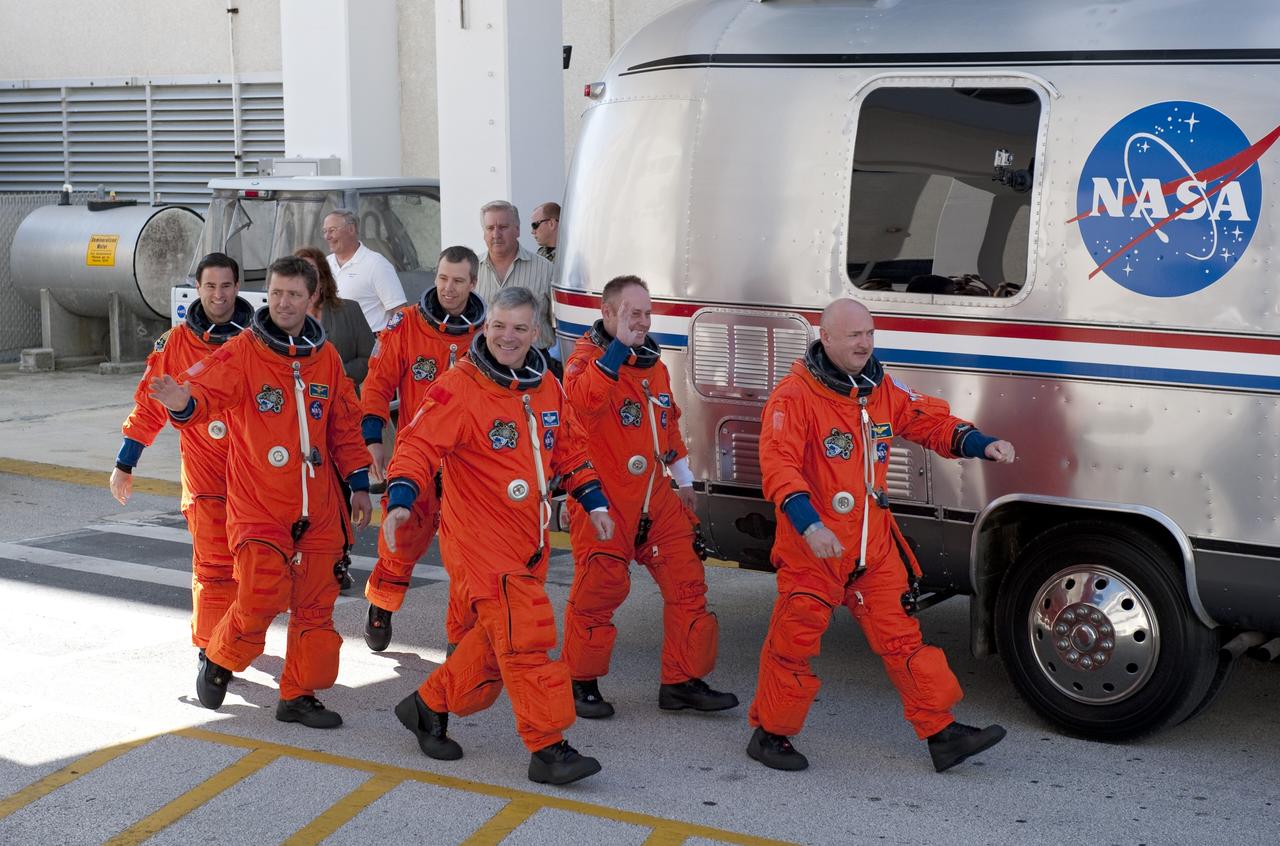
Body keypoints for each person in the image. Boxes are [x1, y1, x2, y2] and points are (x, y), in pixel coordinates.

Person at [748, 298, 1015, 773]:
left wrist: (980, 443)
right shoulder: (794, 398)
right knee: (794, 642)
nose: (865, 343)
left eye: (869, 334)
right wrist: (811, 526)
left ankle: (940, 732)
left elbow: (927, 421)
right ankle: (771, 734)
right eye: (854, 336)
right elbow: (779, 468)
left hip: (873, 550)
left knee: (903, 640)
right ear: (825, 338)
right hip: (816, 549)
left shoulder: (880, 389)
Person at [383, 286, 612, 786]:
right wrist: (400, 499)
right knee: (526, 632)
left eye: (520, 329)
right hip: (480, 542)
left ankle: (426, 707)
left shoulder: (544, 384)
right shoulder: (459, 387)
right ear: (486, 327)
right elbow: (418, 445)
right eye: (499, 326)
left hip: (528, 541)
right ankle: (549, 748)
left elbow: (568, 449)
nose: (508, 338)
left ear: (536, 333)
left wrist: (594, 503)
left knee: (491, 645)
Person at [149, 256, 373, 729]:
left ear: (312, 298)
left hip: (319, 508)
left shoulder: (326, 358)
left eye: (294, 294)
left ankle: (298, 696)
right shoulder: (245, 351)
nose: (284, 303)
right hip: (260, 506)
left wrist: (358, 485)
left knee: (316, 604)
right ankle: (219, 656)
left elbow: (345, 428)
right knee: (259, 596)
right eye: (275, 293)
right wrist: (182, 402)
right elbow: (205, 389)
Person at [560, 275, 737, 719]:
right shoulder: (585, 362)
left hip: (655, 498)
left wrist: (684, 481)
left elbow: (668, 425)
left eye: (645, 313)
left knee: (688, 582)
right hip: (604, 500)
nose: (641, 321)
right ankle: (581, 683)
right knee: (599, 588)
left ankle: (681, 681)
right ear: (608, 314)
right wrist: (616, 349)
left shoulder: (653, 366)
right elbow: (582, 406)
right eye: (631, 313)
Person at [110, 252, 253, 669]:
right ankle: (211, 653)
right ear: (198, 288)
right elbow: (150, 405)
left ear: (238, 287)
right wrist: (125, 462)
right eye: (210, 286)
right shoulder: (175, 343)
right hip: (206, 472)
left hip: (256, 474)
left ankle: (238, 635)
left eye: (226, 286)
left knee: (256, 565)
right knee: (212, 566)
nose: (219, 295)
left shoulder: (259, 341)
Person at [360, 245, 486, 653]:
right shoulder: (405, 326)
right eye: (443, 278)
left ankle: (461, 635)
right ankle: (380, 607)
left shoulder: (488, 333)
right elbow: (377, 384)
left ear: (474, 283)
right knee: (400, 541)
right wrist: (373, 438)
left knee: (468, 553)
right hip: (418, 456)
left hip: (469, 463)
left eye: (459, 281)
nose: (449, 288)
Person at [475, 201, 556, 360]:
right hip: (482, 363)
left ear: (517, 230)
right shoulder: (472, 270)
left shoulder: (546, 270)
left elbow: (559, 325)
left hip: (534, 364)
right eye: (490, 228)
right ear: (484, 233)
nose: (496, 234)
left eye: (503, 227)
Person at [296, 246, 374, 390]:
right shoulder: (285, 317)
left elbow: (370, 358)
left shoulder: (350, 310)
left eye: (310, 269)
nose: (305, 275)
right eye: (299, 270)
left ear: (323, 278)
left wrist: (338, 372)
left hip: (343, 400)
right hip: (299, 402)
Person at [323, 208, 407, 332]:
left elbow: (400, 313)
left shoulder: (377, 264)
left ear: (351, 229)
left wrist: (389, 345)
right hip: (333, 343)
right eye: (324, 231)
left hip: (372, 345)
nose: (327, 236)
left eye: (332, 230)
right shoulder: (324, 264)